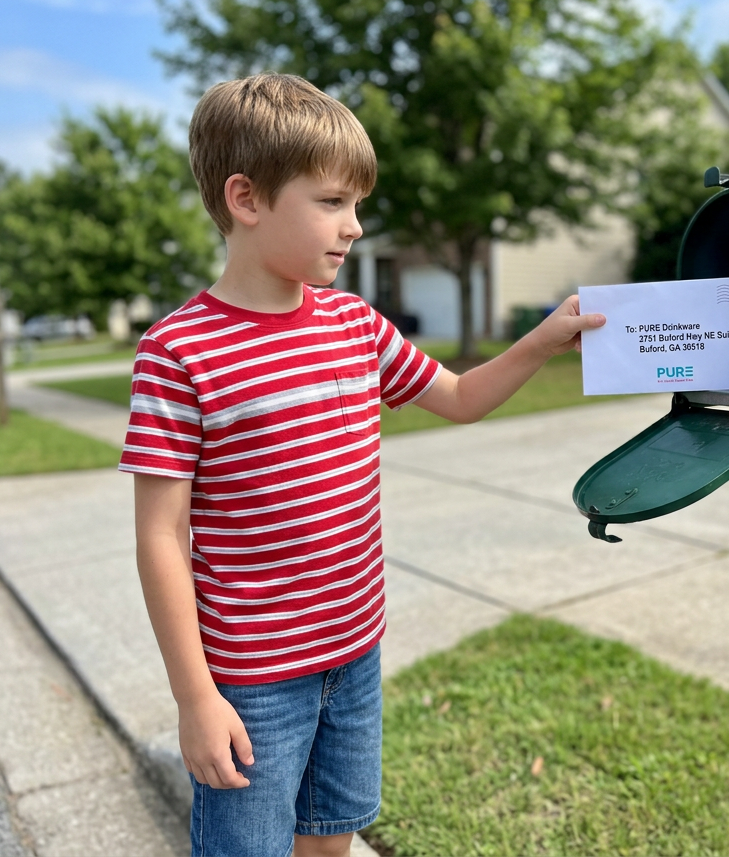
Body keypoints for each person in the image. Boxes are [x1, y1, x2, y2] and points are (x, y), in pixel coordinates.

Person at [118, 72, 605, 857]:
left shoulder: (355, 324)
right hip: (252, 679)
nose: (353, 227)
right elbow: (159, 538)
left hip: (353, 652)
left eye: (358, 206)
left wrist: (542, 341)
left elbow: (458, 396)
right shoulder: (181, 351)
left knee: (330, 841)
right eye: (331, 203)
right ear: (246, 199)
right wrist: (194, 696)